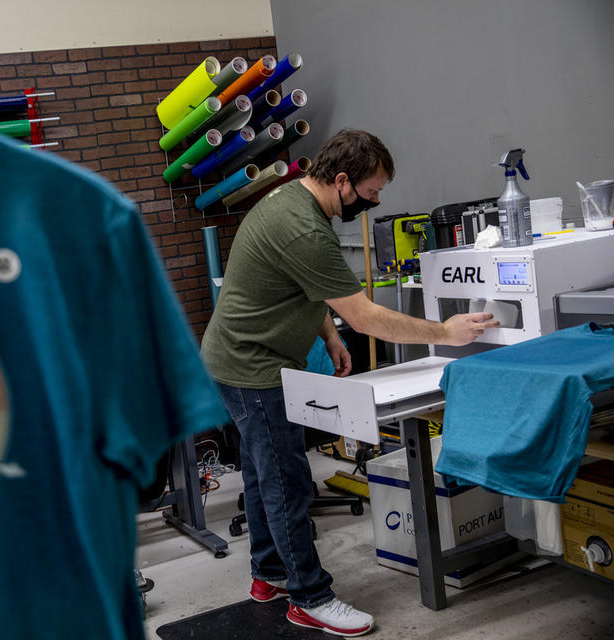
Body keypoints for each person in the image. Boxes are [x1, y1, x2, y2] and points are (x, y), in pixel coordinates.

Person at [200, 129, 499, 637]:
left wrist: (329, 339)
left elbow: (304, 288)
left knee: (259, 474)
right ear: (342, 181)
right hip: (253, 369)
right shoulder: (304, 229)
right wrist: (444, 332)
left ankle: (269, 575)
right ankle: (309, 598)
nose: (376, 201)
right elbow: (364, 318)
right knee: (286, 482)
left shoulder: (295, 200)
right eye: (372, 191)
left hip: (239, 358)